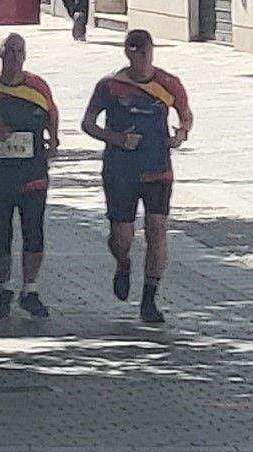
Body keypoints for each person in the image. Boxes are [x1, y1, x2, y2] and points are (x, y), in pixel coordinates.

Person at [80, 29, 191, 327]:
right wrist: (114, 138)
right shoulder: (110, 86)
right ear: (126, 53)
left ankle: (149, 299)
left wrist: (180, 135)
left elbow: (185, 116)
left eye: (145, 51)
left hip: (158, 169)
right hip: (121, 170)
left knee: (157, 230)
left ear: (152, 51)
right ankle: (123, 263)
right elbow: (88, 123)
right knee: (122, 236)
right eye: (135, 51)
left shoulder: (168, 83)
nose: (141, 56)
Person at [0, 36, 61, 320]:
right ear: (0, 54)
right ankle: (4, 287)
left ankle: (30, 290)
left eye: (20, 52)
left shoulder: (37, 87)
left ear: (25, 56)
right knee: (0, 234)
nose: (15, 57)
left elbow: (51, 113)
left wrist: (53, 142)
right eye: (10, 51)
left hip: (33, 175)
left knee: (34, 232)